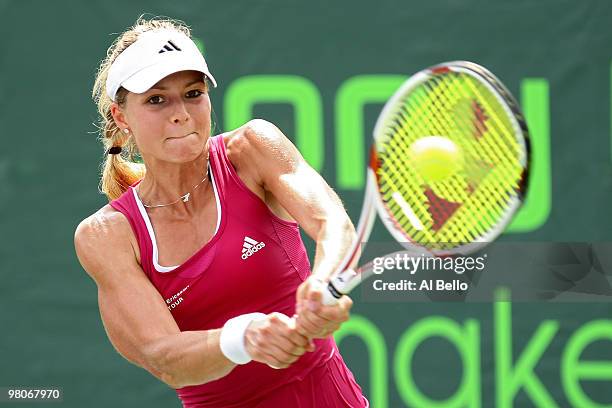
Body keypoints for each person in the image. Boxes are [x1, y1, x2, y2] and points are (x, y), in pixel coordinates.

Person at [74, 16, 369, 407]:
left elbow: (333, 224)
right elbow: (166, 357)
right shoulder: (106, 236)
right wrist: (243, 337)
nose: (180, 112)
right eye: (156, 99)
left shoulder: (252, 150)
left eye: (193, 93)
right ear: (121, 117)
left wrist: (324, 284)